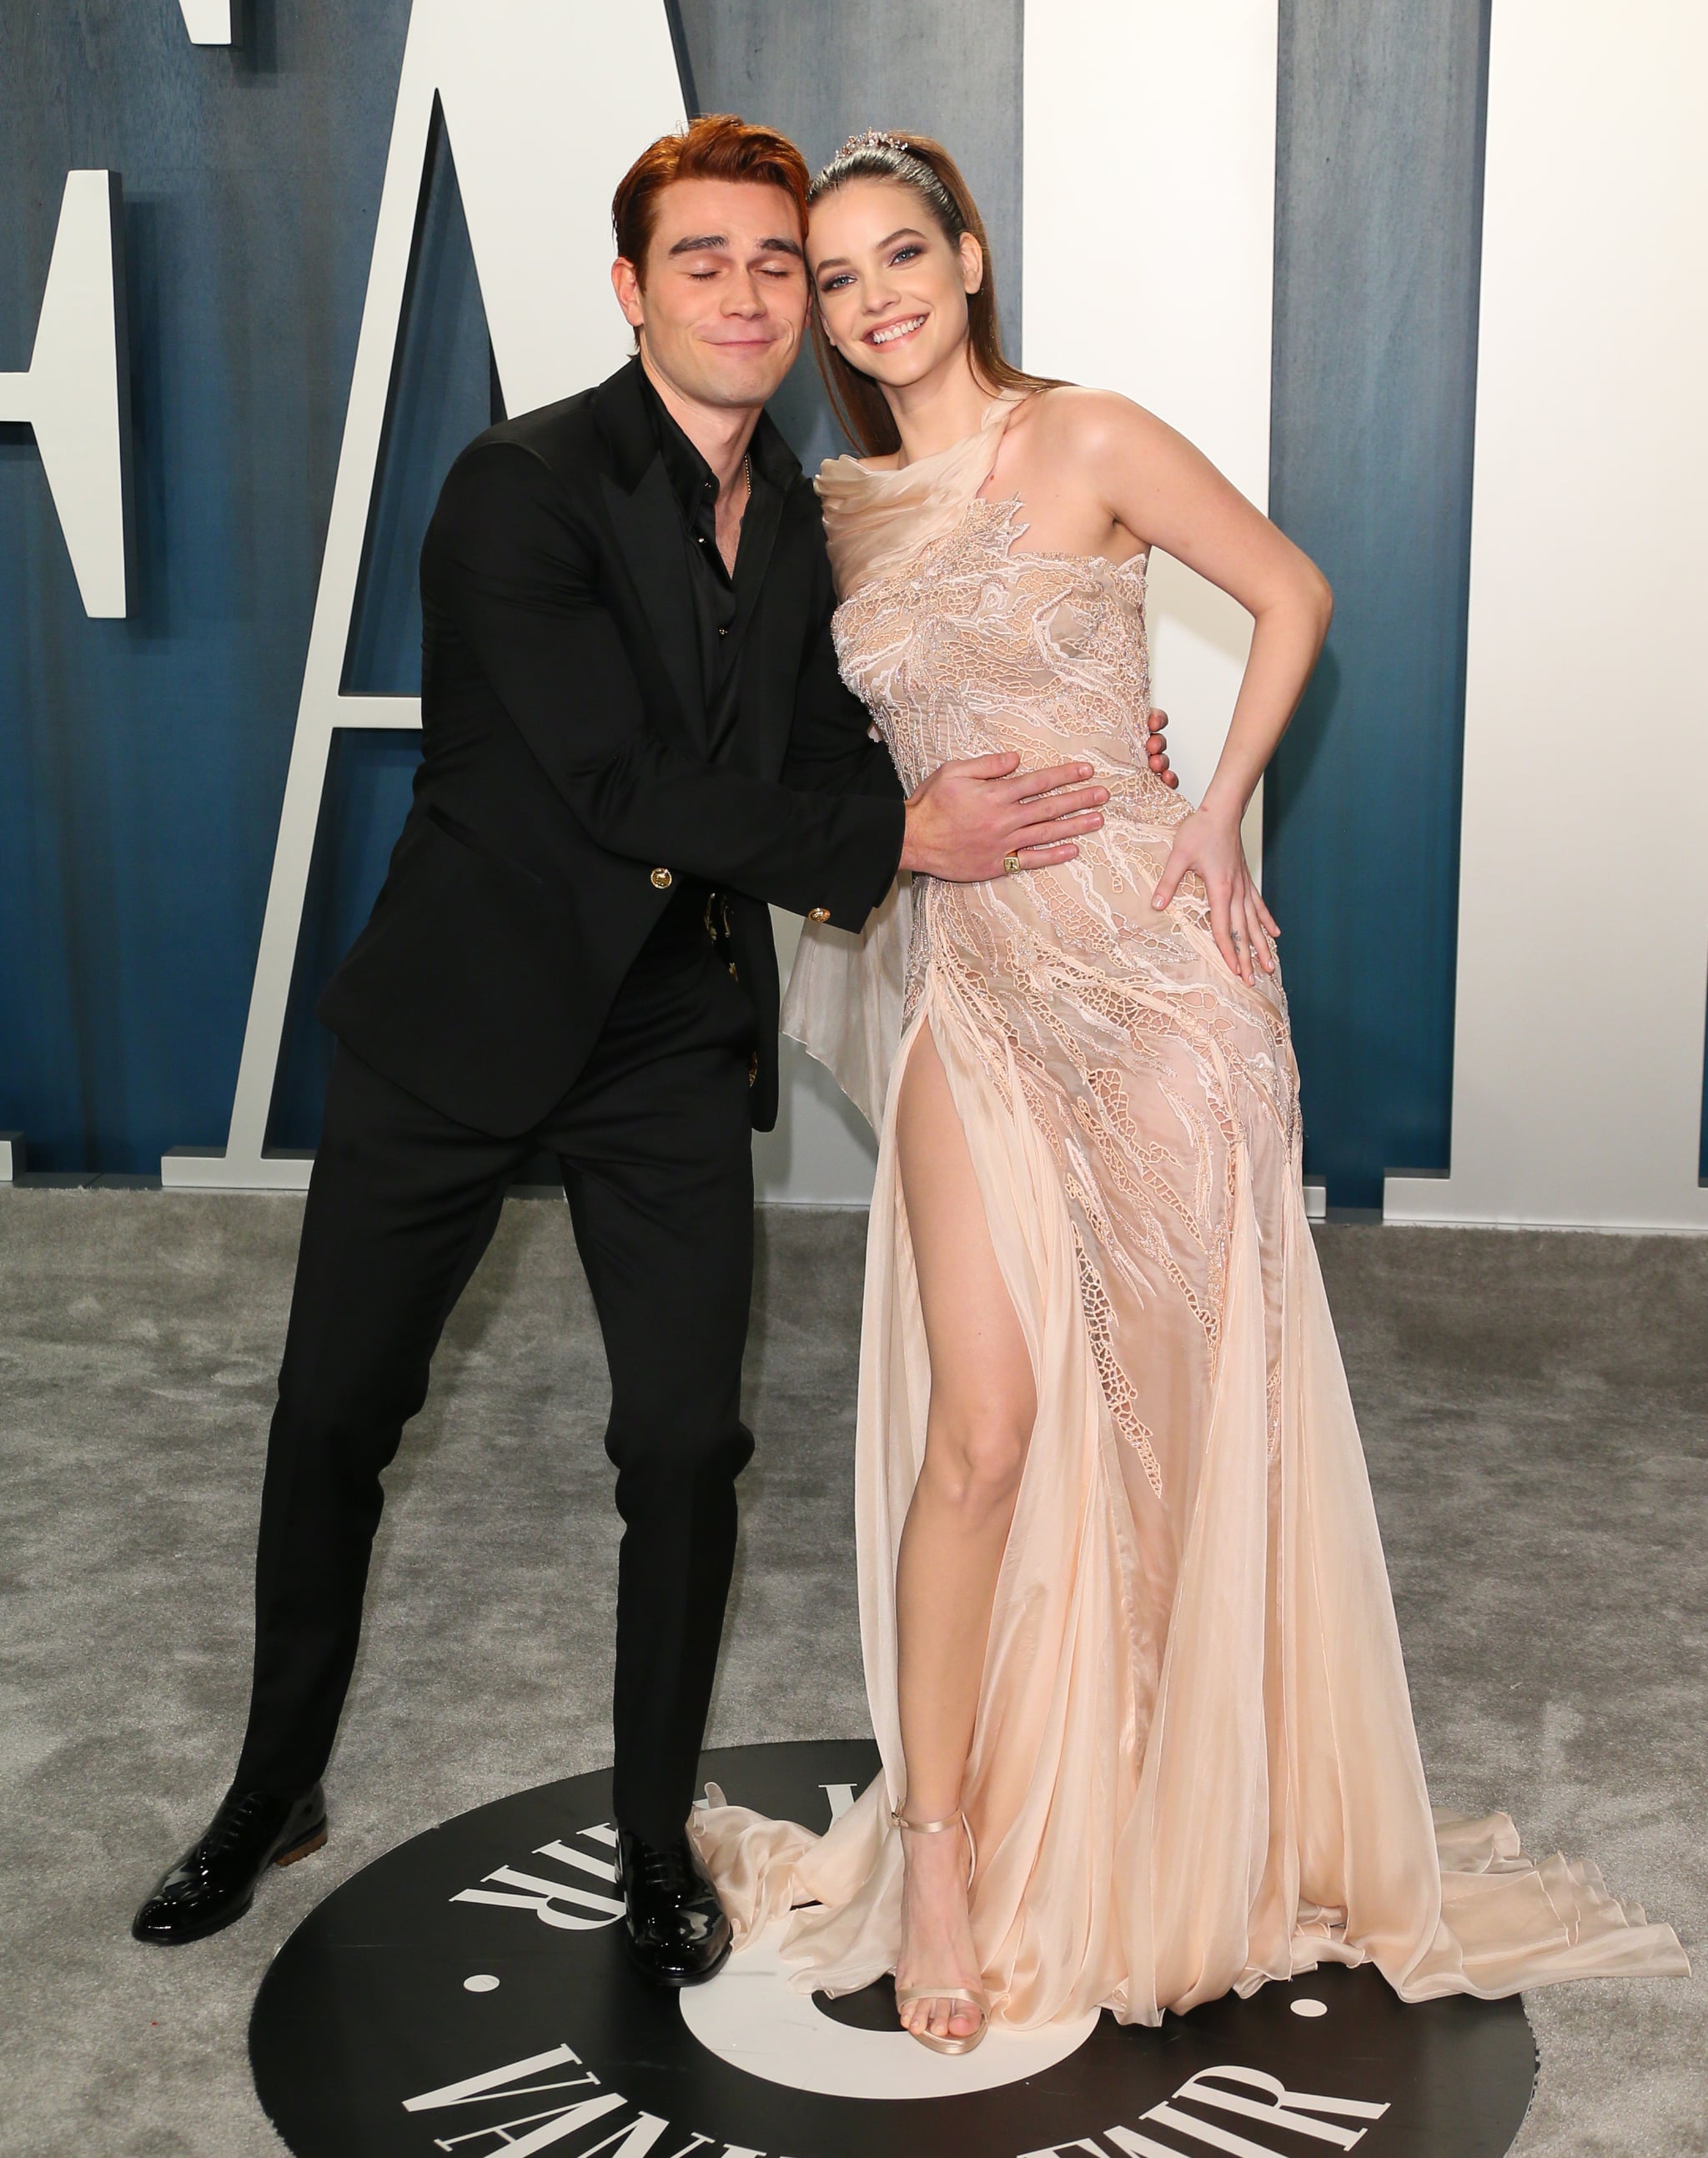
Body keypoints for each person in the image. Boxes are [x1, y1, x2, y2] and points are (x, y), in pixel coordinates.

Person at [129, 116, 1172, 1984]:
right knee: (339, 1417)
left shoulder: (810, 513)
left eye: (783, 263)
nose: (754, 292)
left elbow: (827, 748)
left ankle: (650, 1838)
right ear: (631, 289)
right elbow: (619, 781)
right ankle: (270, 1786)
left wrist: (998, 804)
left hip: (671, 1038)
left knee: (686, 1441)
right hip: (460, 1024)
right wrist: (895, 844)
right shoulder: (514, 487)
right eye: (708, 260)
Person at [691, 129, 1688, 2050]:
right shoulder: (837, 505)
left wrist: (1216, 812)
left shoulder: (1089, 437)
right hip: (972, 991)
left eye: (903, 252)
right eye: (833, 275)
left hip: (1157, 991)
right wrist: (893, 830)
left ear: (970, 258)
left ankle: (1171, 1820)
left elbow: (1291, 592)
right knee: (977, 1435)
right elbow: (823, 753)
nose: (871, 294)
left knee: (1171, 1429)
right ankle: (953, 1849)